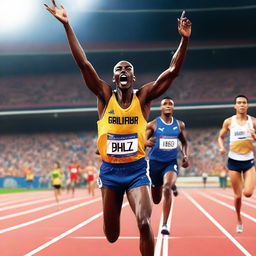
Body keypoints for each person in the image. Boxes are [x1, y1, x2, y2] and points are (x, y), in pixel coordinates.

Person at [44, 2, 191, 255]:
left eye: (128, 69)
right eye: (119, 69)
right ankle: (110, 219)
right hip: (110, 172)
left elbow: (172, 71)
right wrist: (67, 25)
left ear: (133, 78)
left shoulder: (143, 98)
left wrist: (184, 40)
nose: (123, 71)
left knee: (144, 222)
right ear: (114, 78)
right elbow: (84, 64)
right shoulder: (103, 96)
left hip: (136, 170)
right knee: (111, 236)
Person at [145, 97, 189, 235]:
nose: (168, 106)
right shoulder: (153, 124)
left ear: (173, 108)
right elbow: (142, 141)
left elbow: (184, 142)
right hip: (154, 164)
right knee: (156, 199)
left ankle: (164, 224)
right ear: (161, 107)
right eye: (165, 104)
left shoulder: (179, 124)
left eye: (171, 104)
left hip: (170, 163)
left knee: (167, 187)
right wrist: (146, 143)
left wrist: (185, 156)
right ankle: (168, 184)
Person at [218, 95, 256, 233]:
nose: (241, 105)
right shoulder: (229, 122)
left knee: (248, 193)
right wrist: (222, 147)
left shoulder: (253, 121)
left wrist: (255, 136)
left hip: (249, 162)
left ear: (247, 105)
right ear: (235, 106)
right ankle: (239, 219)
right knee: (238, 196)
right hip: (233, 162)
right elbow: (220, 137)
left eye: (244, 103)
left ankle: (240, 217)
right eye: (239, 103)